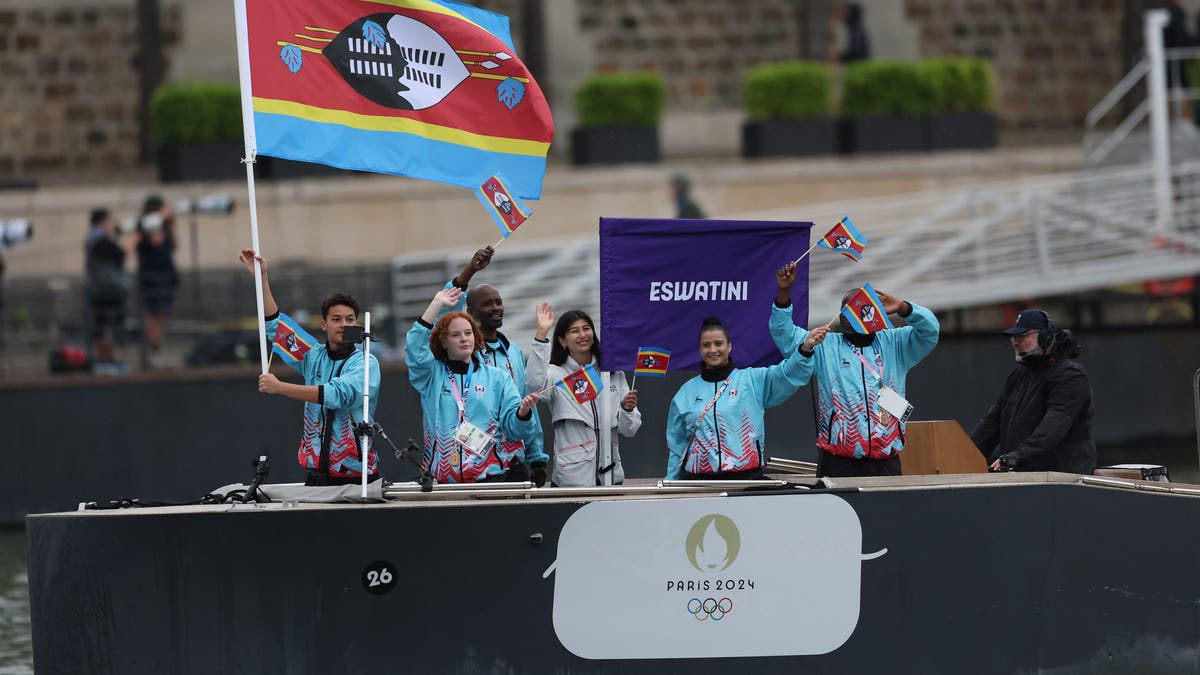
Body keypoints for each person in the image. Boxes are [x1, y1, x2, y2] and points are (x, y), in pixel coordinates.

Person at [770, 262, 940, 477]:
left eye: (861, 310)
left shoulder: (895, 342)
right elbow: (783, 334)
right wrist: (784, 293)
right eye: (848, 311)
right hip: (838, 461)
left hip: (885, 460)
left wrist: (904, 308)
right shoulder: (825, 344)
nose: (854, 317)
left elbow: (930, 332)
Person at [240, 248, 381, 486]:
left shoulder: (366, 362)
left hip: (357, 477)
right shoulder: (313, 355)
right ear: (324, 325)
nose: (343, 325)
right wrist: (261, 278)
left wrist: (280, 387)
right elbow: (275, 325)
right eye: (336, 319)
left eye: (349, 320)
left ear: (357, 324)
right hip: (316, 475)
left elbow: (336, 395)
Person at [406, 286, 540, 484]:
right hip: (444, 480)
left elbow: (515, 432)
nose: (463, 339)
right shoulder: (432, 376)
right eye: (455, 335)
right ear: (443, 342)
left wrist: (523, 414)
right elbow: (415, 348)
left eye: (468, 333)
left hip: (491, 478)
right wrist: (436, 305)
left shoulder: (498, 378)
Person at [441, 245, 549, 485]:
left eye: (498, 302)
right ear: (470, 311)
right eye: (487, 304)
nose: (496, 308)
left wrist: (537, 456)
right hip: (472, 465)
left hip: (513, 461)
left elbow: (527, 402)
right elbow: (444, 314)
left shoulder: (513, 353)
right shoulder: (461, 351)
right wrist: (469, 271)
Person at [665, 315, 814, 480]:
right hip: (700, 483)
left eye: (718, 343)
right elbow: (677, 446)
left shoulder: (751, 380)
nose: (713, 349)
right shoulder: (686, 392)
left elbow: (787, 374)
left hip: (746, 480)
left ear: (729, 346)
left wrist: (804, 350)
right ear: (700, 350)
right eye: (706, 345)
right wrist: (671, 483)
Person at [526, 302, 641, 486]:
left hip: (611, 479)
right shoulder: (556, 374)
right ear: (562, 341)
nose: (582, 335)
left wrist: (627, 410)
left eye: (586, 329)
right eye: (574, 331)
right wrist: (541, 333)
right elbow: (533, 384)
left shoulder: (612, 373)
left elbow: (630, 430)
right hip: (571, 480)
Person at [969, 309, 1097, 474]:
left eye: (1022, 336)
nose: (1015, 342)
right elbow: (991, 423)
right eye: (1013, 337)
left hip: (1062, 482)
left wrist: (1017, 457)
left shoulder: (1070, 376)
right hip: (1025, 479)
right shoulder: (1018, 376)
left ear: (1045, 337)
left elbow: (1053, 428)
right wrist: (963, 455)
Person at [85, 208, 133, 371]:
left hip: (102, 289)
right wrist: (134, 238)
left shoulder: (95, 239)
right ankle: (105, 360)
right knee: (107, 326)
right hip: (107, 290)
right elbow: (119, 254)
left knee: (104, 326)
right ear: (103, 221)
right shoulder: (98, 240)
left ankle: (107, 359)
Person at [135, 195, 179, 367]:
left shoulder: (163, 225)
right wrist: (161, 218)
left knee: (162, 314)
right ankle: (152, 351)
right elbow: (156, 240)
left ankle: (156, 348)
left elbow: (173, 244)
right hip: (153, 275)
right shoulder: (148, 224)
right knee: (154, 314)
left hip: (165, 274)